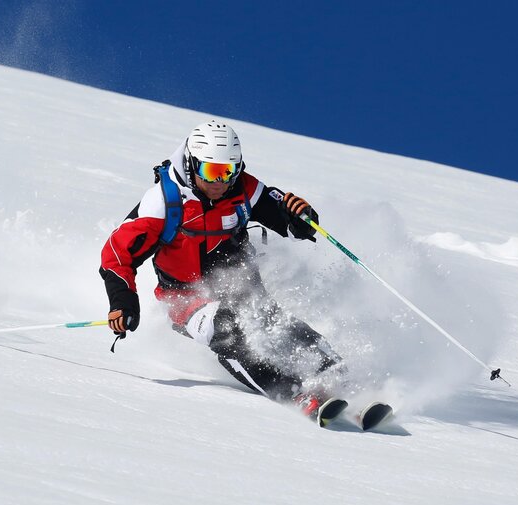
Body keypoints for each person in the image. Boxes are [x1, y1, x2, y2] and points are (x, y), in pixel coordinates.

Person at [99, 120, 343, 419]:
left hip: (239, 284)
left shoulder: (243, 189)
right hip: (186, 299)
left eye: (228, 170)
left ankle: (334, 369)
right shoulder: (162, 203)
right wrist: (122, 302)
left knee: (271, 320)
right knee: (228, 330)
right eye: (211, 171)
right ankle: (292, 393)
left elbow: (289, 224)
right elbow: (116, 254)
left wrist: (300, 218)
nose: (220, 181)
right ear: (191, 165)